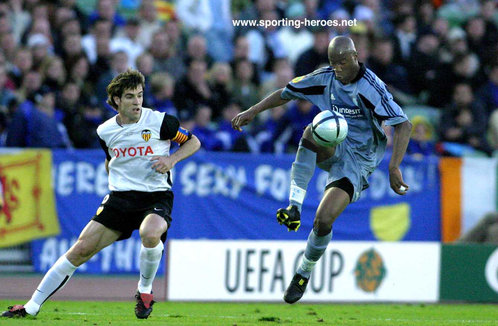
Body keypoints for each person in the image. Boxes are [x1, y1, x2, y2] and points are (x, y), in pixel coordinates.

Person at [1, 69, 201, 319]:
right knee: (79, 250)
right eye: (130, 96)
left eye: (139, 95)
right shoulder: (105, 131)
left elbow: (192, 142)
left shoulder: (161, 122)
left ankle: (145, 291)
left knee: (150, 234)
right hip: (120, 199)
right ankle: (31, 306)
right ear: (117, 100)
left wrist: (171, 159)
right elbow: (110, 159)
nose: (137, 101)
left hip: (155, 195)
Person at [231, 36, 412, 304]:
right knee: (312, 130)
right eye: (333, 63)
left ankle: (303, 272)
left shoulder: (371, 87)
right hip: (335, 145)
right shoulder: (325, 77)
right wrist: (253, 110)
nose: (337, 68)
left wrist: (394, 166)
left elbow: (403, 124)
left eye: (341, 62)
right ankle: (294, 206)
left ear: (354, 56)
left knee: (323, 219)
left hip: (359, 160)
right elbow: (286, 92)